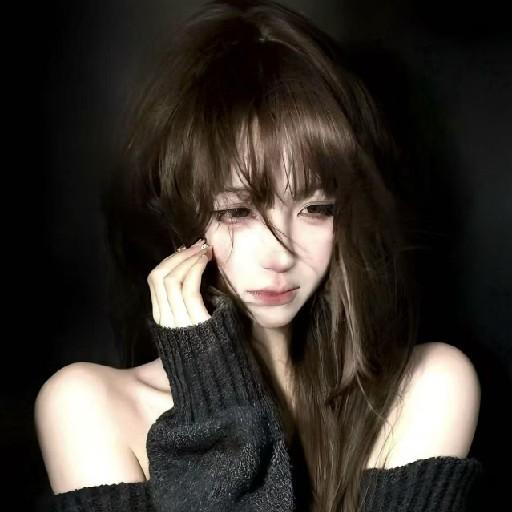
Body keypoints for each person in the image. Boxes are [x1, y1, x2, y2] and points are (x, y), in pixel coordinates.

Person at [34, 1, 483, 511]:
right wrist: (213, 405)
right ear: (179, 217)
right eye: (236, 212)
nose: (279, 254)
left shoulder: (426, 389)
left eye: (315, 209)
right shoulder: (89, 408)